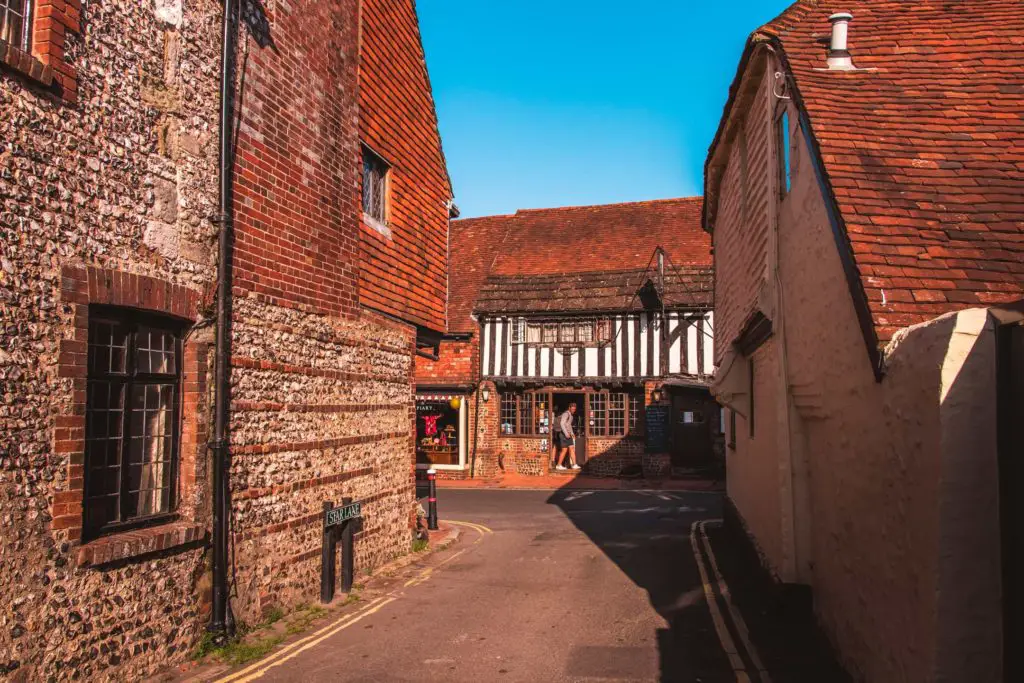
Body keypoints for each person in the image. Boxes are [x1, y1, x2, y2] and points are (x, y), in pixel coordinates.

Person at [554, 403, 581, 471]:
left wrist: (572, 433)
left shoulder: (571, 416)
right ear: (569, 408)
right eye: (572, 409)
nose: (573, 410)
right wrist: (566, 433)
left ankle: (574, 464)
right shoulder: (566, 414)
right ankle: (558, 465)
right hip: (563, 434)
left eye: (574, 409)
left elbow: (568, 425)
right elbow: (562, 423)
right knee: (564, 450)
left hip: (568, 435)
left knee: (571, 448)